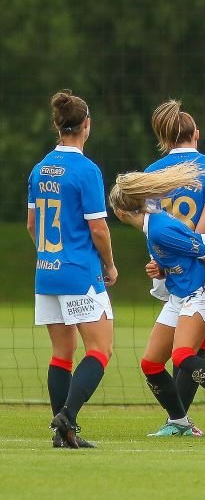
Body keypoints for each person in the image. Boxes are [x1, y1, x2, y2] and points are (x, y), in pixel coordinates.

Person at [108, 163, 205, 438]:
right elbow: (181, 257)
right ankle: (179, 421)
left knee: (183, 356)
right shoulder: (151, 226)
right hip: (179, 296)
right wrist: (163, 269)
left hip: (200, 294)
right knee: (151, 364)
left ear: (119, 213)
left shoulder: (159, 229)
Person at [28, 91, 117, 449]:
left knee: (60, 353)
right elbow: (98, 228)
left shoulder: (39, 168)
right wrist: (109, 264)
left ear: (57, 125)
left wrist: (50, 256)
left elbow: (33, 224)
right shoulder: (87, 170)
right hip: (80, 272)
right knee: (100, 349)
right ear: (87, 126)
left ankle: (62, 435)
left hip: (46, 271)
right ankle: (68, 416)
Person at [142, 100, 205, 434]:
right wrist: (191, 250)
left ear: (166, 136)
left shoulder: (151, 172)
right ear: (197, 134)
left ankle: (179, 420)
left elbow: (152, 228)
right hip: (202, 263)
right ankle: (180, 420)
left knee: (187, 348)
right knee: (191, 348)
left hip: (174, 267)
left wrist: (166, 258)